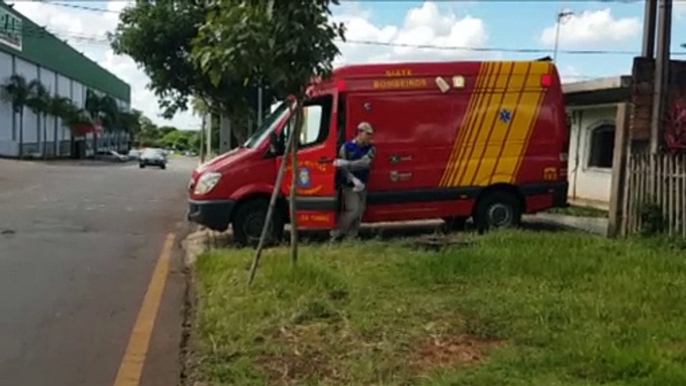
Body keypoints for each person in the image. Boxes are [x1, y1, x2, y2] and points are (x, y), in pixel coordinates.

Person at [330, 122, 376, 241]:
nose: (370, 137)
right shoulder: (346, 147)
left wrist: (347, 163)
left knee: (360, 211)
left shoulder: (371, 149)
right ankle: (338, 232)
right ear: (360, 133)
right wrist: (353, 179)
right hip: (349, 184)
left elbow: (365, 163)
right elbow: (342, 169)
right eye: (368, 134)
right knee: (354, 209)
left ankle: (352, 236)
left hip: (363, 183)